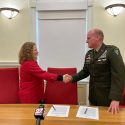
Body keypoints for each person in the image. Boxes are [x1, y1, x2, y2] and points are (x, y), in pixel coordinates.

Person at [64, 28, 125, 114]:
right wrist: (72, 78)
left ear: (97, 37)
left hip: (107, 98)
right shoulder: (89, 54)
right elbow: (85, 71)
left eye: (88, 38)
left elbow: (119, 75)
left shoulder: (112, 51)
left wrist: (115, 98)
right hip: (93, 96)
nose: (86, 41)